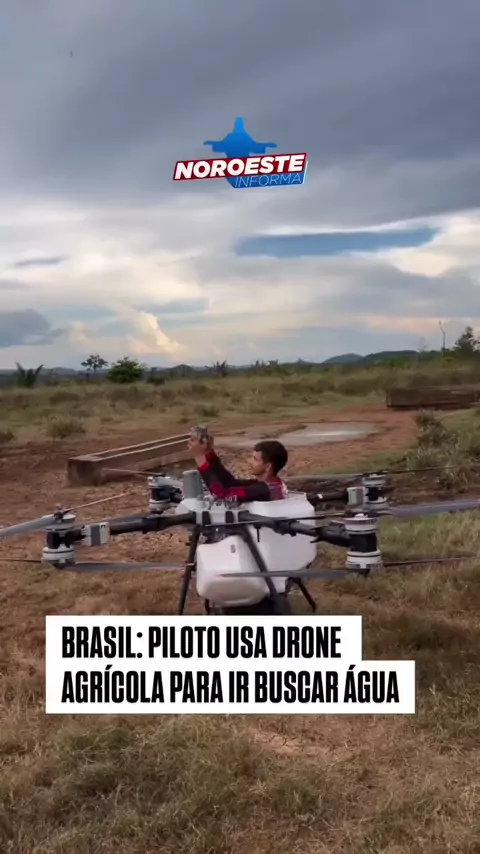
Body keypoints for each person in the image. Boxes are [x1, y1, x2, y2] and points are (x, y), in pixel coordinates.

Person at [187, 430, 289, 503]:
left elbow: (222, 495)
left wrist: (199, 457)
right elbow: (230, 483)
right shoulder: (269, 484)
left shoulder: (264, 490)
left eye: (255, 459)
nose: (249, 461)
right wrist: (209, 453)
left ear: (267, 466)